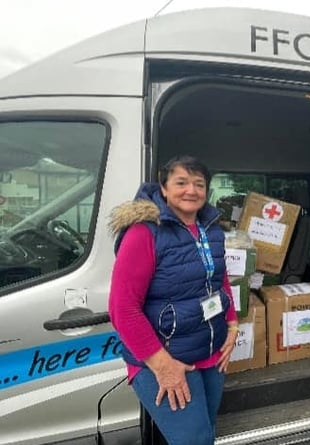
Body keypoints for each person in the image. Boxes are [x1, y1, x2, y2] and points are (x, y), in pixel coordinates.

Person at [108, 155, 238, 445]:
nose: (191, 190)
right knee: (194, 440)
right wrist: (163, 366)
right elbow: (122, 308)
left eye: (199, 184)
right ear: (163, 188)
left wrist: (231, 324)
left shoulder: (210, 228)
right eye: (181, 182)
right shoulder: (144, 232)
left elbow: (220, 278)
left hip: (210, 352)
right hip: (166, 358)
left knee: (205, 433)